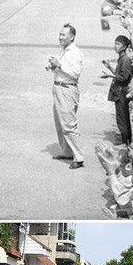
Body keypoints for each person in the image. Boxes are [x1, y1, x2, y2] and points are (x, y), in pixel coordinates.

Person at [48, 21, 85, 168]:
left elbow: (75, 73)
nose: (60, 37)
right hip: (58, 87)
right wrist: (53, 67)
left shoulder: (75, 52)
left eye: (64, 35)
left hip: (67, 90)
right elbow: (61, 70)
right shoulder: (63, 50)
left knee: (69, 124)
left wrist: (60, 65)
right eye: (60, 34)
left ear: (72, 37)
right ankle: (67, 150)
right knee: (60, 123)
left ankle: (79, 156)